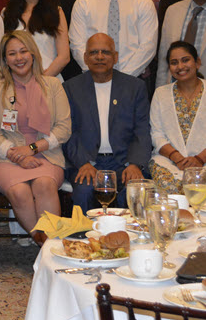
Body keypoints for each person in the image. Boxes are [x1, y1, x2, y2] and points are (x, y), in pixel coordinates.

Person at [0, 30, 72, 241]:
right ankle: (46, 245)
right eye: (12, 53)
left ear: (33, 54)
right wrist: (18, 156)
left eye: (23, 51)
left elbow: (64, 128)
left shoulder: (53, 85)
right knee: (20, 192)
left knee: (44, 185)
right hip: (7, 158)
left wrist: (32, 149)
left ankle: (48, 244)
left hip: (47, 155)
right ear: (5, 60)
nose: (19, 58)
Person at [62, 33, 150, 211]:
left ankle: (127, 230)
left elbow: (142, 130)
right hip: (87, 162)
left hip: (124, 162)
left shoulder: (135, 87)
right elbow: (68, 132)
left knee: (134, 192)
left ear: (115, 57)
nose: (100, 57)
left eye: (106, 52)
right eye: (94, 52)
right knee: (84, 191)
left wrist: (134, 163)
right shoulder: (70, 88)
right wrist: (83, 163)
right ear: (85, 58)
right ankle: (86, 230)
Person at [150, 41, 206, 199]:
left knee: (200, 189)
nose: (180, 66)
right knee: (171, 190)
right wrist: (177, 157)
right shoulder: (161, 94)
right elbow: (157, 134)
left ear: (197, 62)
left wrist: (199, 159)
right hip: (168, 161)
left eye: (185, 60)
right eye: (174, 62)